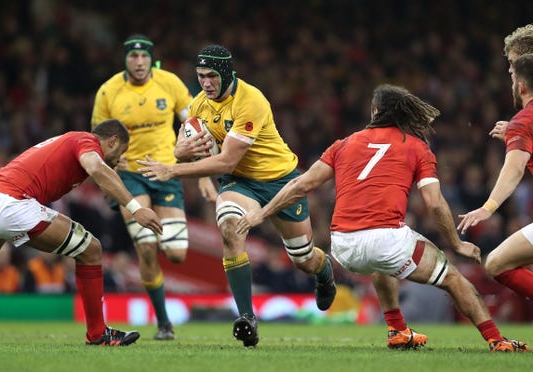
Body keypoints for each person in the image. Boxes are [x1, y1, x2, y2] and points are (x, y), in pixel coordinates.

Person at [235, 84, 529, 352]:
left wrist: (261, 212)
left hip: (343, 246)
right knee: (453, 278)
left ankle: (398, 330)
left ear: (374, 111)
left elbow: (301, 185)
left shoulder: (344, 143)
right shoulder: (416, 147)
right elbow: (435, 203)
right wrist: (457, 243)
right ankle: (497, 340)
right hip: (387, 240)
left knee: (383, 263)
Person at [138, 44, 336, 348]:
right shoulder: (198, 105)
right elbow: (183, 144)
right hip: (239, 183)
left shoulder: (251, 100)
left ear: (227, 72)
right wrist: (180, 152)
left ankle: (324, 272)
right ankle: (247, 318)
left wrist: (172, 170)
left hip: (279, 181)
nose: (205, 83)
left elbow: (226, 159)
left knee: (304, 260)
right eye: (201, 76)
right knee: (230, 228)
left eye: (212, 76)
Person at [0, 119, 163, 346]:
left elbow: (98, 174)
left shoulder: (72, 144)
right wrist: (135, 208)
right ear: (113, 140)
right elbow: (97, 169)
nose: (119, 159)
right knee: (90, 249)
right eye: (121, 152)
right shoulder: (86, 141)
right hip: (11, 203)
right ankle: (98, 333)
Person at [90, 34, 215, 340]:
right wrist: (107, 168)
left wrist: (202, 174)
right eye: (133, 57)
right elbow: (96, 138)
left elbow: (193, 125)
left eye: (144, 56)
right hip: (130, 174)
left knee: (175, 253)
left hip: (166, 170)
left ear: (151, 58)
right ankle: (164, 324)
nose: (140, 62)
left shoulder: (169, 83)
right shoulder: (108, 91)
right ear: (126, 60)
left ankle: (156, 246)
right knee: (146, 248)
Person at [458, 53, 533, 303]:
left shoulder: (523, 121)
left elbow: (514, 169)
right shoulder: (520, 126)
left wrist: (487, 208)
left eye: (512, 76)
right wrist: (516, 137)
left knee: (498, 263)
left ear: (521, 86)